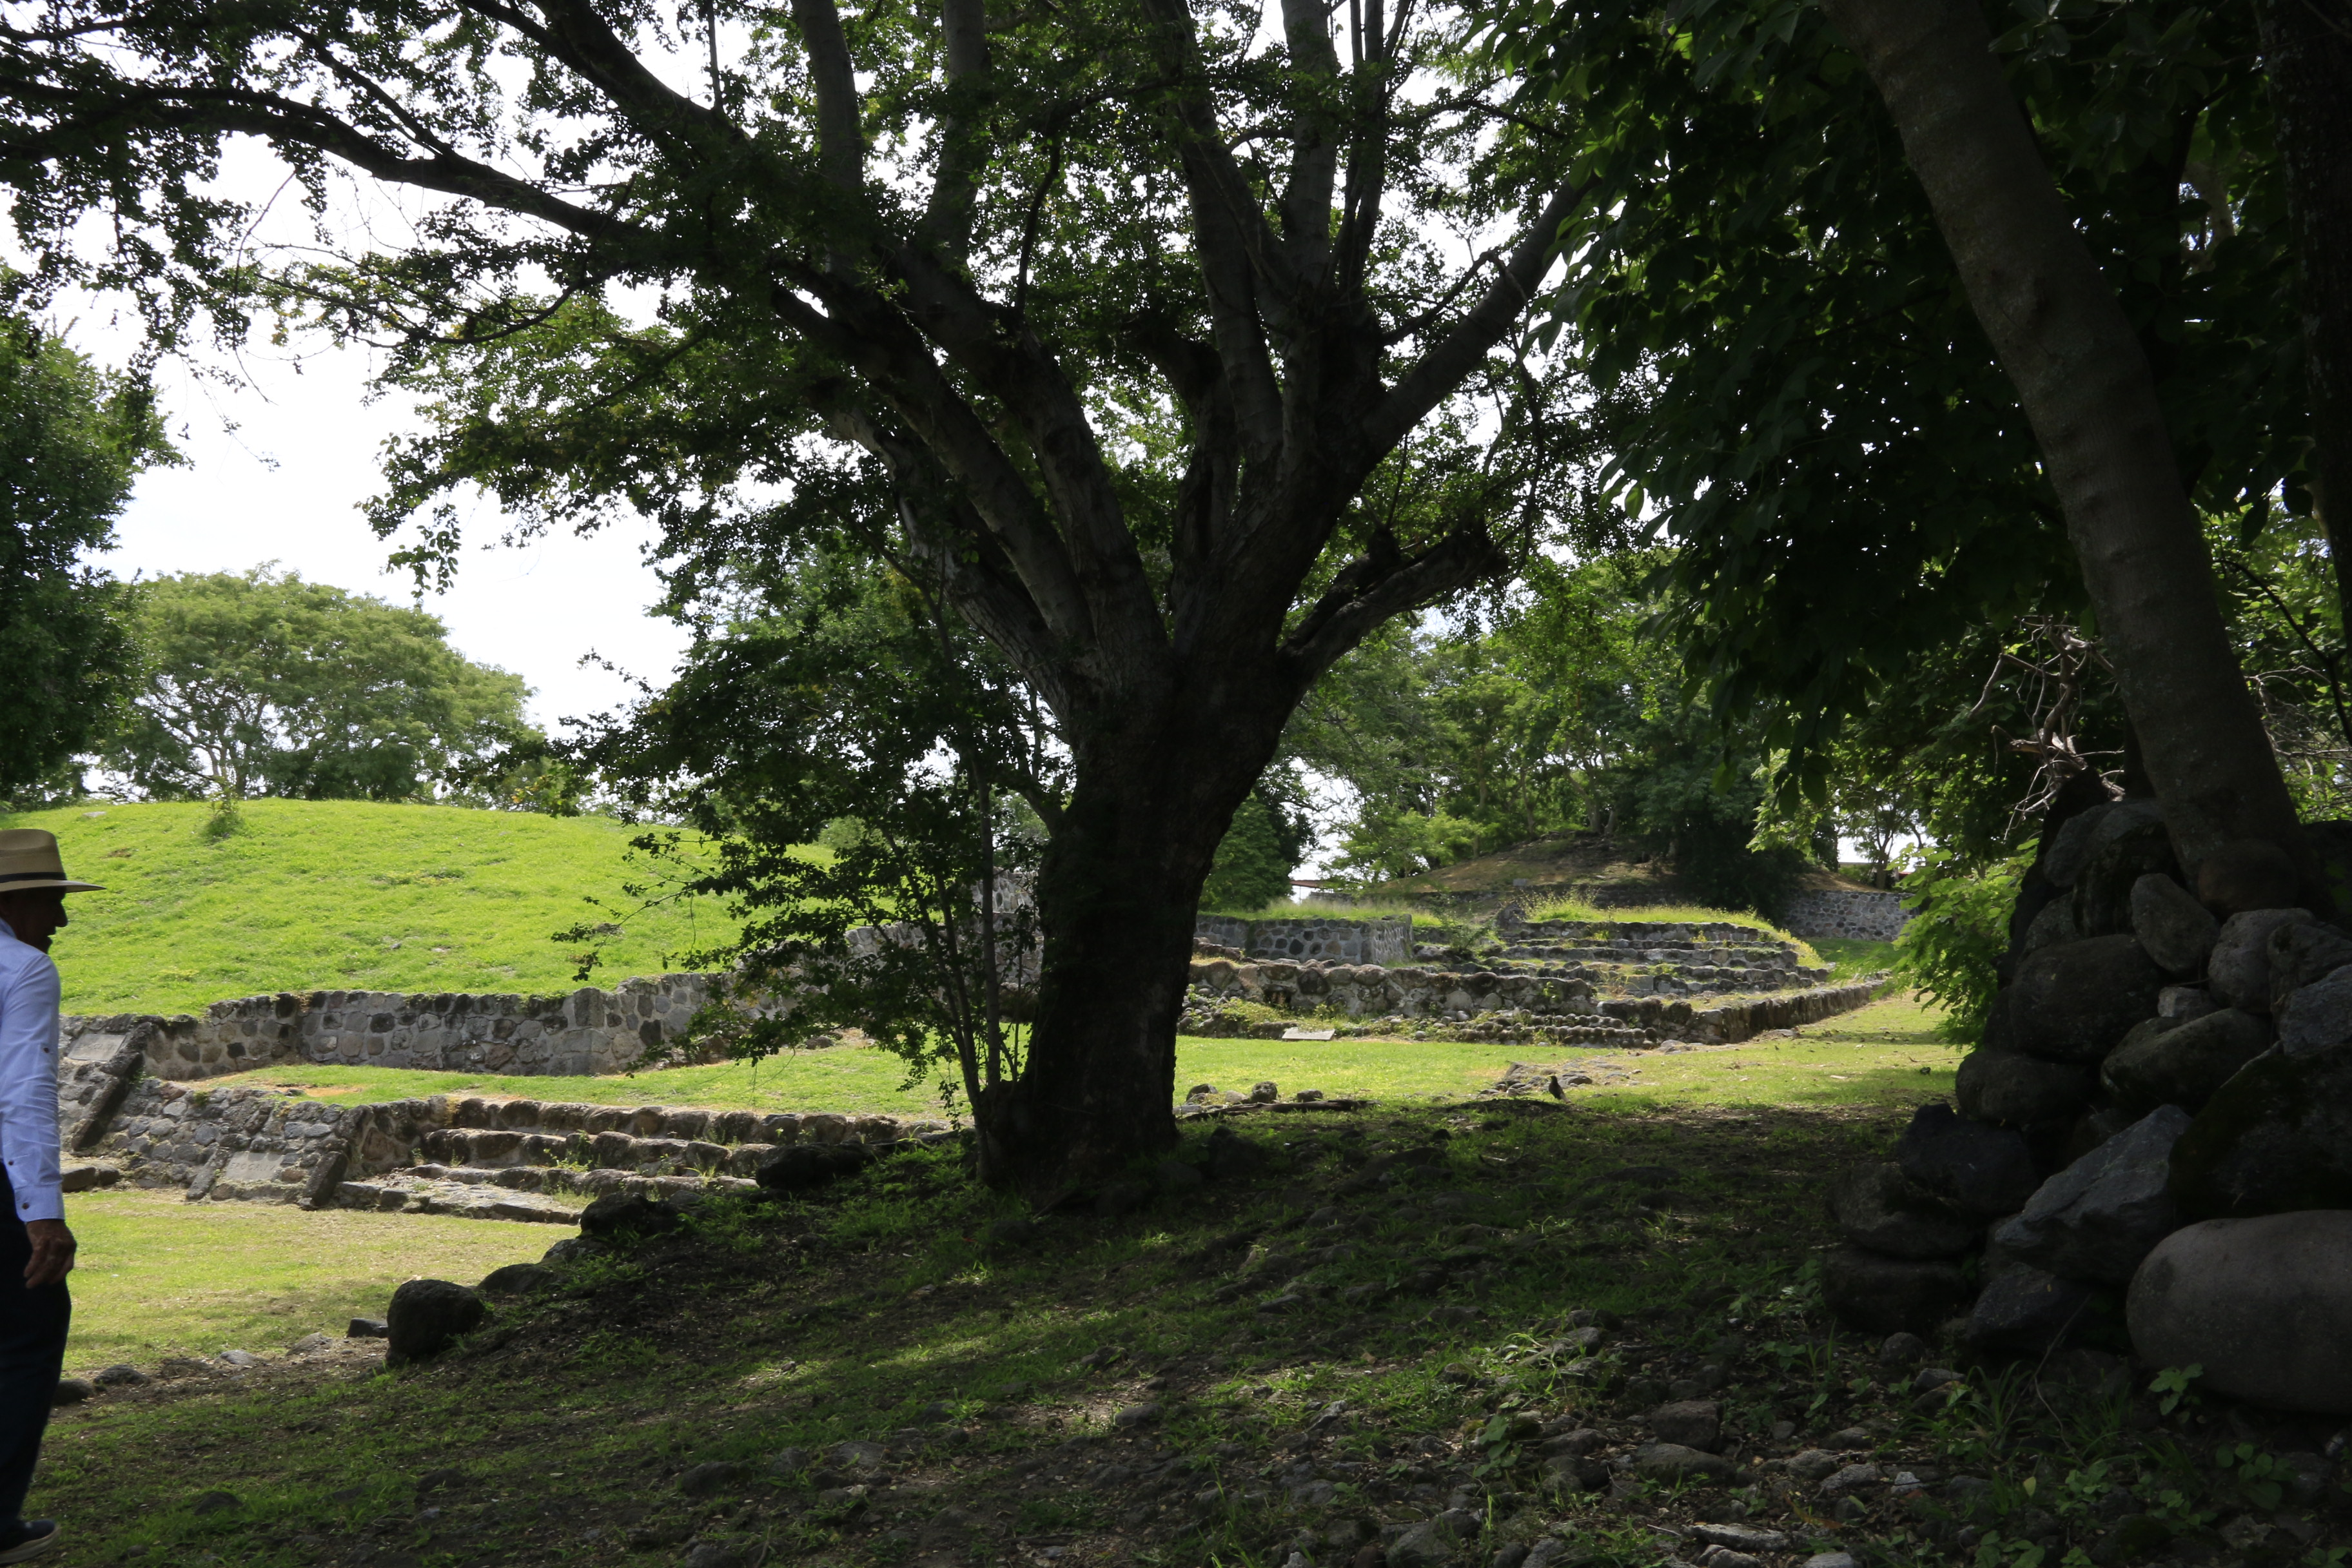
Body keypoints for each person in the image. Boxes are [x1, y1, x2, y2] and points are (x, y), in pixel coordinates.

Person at [0, 829, 99, 1564]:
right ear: (14, 902)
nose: (60, 919)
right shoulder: (22, 968)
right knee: (28, 1327)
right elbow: (24, 1092)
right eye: (51, 901)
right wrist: (43, 1213)